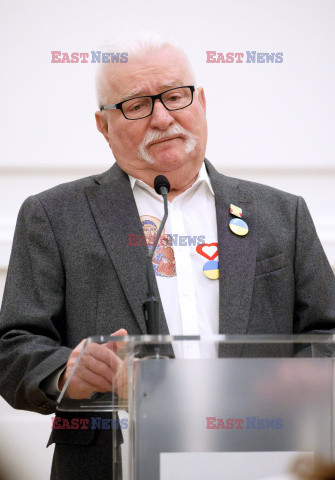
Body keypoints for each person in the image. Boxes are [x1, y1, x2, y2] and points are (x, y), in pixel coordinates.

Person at [0, 31, 335, 480]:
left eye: (175, 96)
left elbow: (326, 332)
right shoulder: (54, 215)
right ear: (103, 124)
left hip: (262, 456)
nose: (162, 117)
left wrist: (291, 382)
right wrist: (65, 372)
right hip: (111, 463)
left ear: (201, 102)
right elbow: (14, 348)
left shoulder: (281, 213)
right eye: (137, 105)